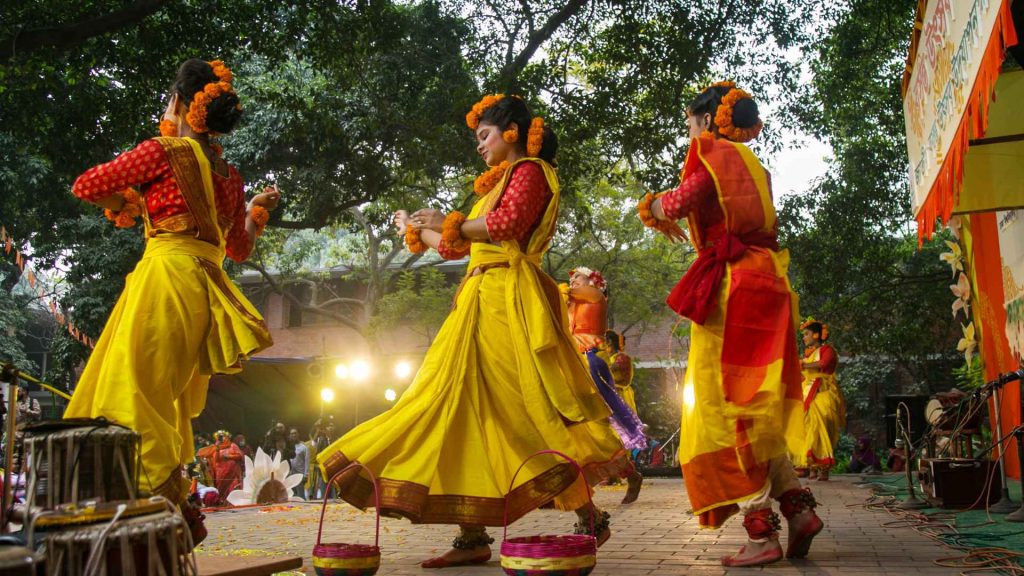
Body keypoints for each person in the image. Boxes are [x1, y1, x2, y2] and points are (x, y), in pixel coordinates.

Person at [317, 94, 632, 569]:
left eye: (484, 136)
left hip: (509, 303)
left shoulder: (531, 171)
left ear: (511, 132)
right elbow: (459, 247)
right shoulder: (499, 182)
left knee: (522, 409)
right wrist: (420, 226)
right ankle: (471, 534)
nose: (479, 146)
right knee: (456, 405)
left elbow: (505, 225)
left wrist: (453, 224)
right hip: (478, 303)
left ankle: (589, 515)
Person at [63, 59, 277, 534]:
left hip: (166, 280)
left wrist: (128, 204)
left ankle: (154, 514)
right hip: (206, 288)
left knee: (134, 392)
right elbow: (238, 247)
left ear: (180, 103)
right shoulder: (228, 172)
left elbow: (87, 185)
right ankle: (170, 510)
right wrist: (254, 211)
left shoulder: (162, 151)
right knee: (168, 400)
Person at [640, 81, 822, 566]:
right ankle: (798, 509)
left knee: (727, 409)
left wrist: (651, 206)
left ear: (706, 120)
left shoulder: (713, 157)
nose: (690, 134)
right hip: (767, 279)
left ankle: (762, 534)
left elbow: (680, 202)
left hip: (734, 289)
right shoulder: (753, 165)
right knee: (755, 407)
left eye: (690, 124)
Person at [564, 267, 646, 503]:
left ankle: (629, 472)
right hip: (572, 359)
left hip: (590, 361)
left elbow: (568, 294)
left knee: (595, 422)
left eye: (577, 277)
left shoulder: (594, 296)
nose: (572, 281)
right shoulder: (572, 301)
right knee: (572, 424)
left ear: (593, 281)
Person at [795, 318, 846, 481]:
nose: (804, 338)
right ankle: (811, 468)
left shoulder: (827, 350)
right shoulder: (807, 356)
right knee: (809, 428)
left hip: (824, 395)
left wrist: (802, 364)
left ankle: (823, 468)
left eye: (807, 334)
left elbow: (824, 364)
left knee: (822, 428)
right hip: (808, 395)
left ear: (816, 335)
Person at [196, 429, 244, 504]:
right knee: (222, 491)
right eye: (219, 437)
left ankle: (235, 503)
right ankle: (223, 503)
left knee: (233, 488)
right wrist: (217, 449)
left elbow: (240, 456)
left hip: (233, 473)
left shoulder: (232, 446)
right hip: (221, 474)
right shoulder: (216, 448)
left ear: (227, 437)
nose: (221, 439)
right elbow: (216, 460)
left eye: (223, 436)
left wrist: (228, 456)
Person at [605, 329, 639, 415]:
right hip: (610, 397)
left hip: (621, 397)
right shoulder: (608, 359)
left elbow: (607, 370)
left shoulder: (622, 358)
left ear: (609, 342)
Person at [288, 428, 308, 500]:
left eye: (295, 433)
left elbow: (306, 461)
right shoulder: (288, 447)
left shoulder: (303, 447)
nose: (293, 435)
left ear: (298, 434)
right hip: (290, 475)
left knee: (301, 497)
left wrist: (306, 475)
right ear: (289, 435)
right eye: (292, 433)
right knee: (292, 497)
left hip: (300, 475)